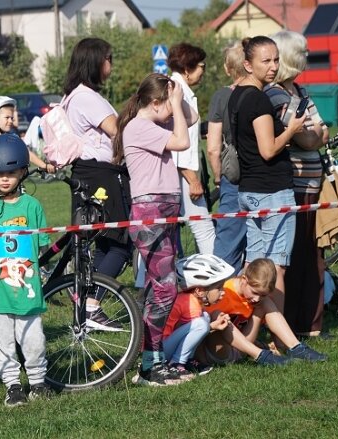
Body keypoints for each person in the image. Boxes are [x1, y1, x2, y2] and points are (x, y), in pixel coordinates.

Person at [116, 73, 197, 386]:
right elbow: (183, 141)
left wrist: (176, 100)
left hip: (165, 209)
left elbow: (193, 118)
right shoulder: (139, 127)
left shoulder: (156, 123)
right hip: (150, 211)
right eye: (167, 103)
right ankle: (150, 365)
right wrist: (175, 102)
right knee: (163, 288)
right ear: (154, 103)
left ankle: (154, 361)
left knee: (161, 288)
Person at [0, 134, 52, 407]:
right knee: (1, 341)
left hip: (27, 289)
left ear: (22, 172)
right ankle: (13, 386)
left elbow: (41, 246)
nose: (4, 178)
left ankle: (38, 381)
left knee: (33, 339)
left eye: (11, 172)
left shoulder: (33, 207)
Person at [229, 36, 305, 317]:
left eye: (276, 59)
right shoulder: (259, 100)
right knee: (275, 268)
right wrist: (291, 129)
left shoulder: (236, 94)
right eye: (266, 61)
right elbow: (269, 149)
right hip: (271, 190)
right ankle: (278, 338)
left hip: (248, 190)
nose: (273, 67)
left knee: (254, 267)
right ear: (248, 65)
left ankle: (247, 328)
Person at [62, 38, 131, 331]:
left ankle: (89, 303)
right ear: (95, 61)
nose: (111, 65)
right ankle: (91, 304)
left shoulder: (75, 95)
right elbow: (119, 132)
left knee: (104, 241)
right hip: (99, 174)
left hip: (90, 173)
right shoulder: (87, 97)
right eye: (109, 59)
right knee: (121, 241)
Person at [266, 31, 330, 338]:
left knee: (314, 255)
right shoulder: (277, 95)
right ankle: (294, 322)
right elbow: (307, 137)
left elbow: (322, 132)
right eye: (302, 52)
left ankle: (312, 323)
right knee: (296, 256)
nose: (306, 57)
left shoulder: (300, 92)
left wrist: (314, 134)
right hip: (295, 185)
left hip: (313, 182)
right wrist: (314, 133)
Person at [198, 258, 327, 366]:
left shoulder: (258, 300)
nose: (256, 299)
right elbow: (199, 326)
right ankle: (262, 355)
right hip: (217, 351)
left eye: (262, 294)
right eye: (255, 292)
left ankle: (295, 347)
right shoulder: (224, 291)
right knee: (217, 316)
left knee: (266, 303)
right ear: (244, 280)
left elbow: (252, 332)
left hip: (242, 349)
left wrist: (259, 314)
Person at [168, 42, 216, 255]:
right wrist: (193, 179)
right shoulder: (179, 94)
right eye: (201, 66)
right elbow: (176, 143)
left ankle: (144, 284)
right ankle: (215, 282)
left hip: (174, 173)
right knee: (204, 228)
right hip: (181, 174)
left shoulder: (175, 89)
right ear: (188, 69)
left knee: (161, 233)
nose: (204, 72)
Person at [162, 254, 236, 383]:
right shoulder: (191, 304)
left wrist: (211, 325)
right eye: (219, 288)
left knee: (205, 318)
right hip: (161, 350)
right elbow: (194, 329)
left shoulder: (190, 299)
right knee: (201, 324)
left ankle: (186, 361)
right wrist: (212, 326)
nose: (223, 292)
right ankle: (176, 364)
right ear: (200, 291)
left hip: (162, 345)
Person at [207, 42, 248, 272]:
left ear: (227, 68)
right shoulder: (262, 93)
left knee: (227, 244)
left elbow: (213, 147)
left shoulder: (221, 96)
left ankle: (220, 298)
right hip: (262, 176)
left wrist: (217, 176)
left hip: (233, 176)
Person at [0, 96, 53, 171]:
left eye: (11, 118)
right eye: (7, 117)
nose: (11, 121)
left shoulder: (12, 138)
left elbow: (26, 152)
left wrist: (44, 165)